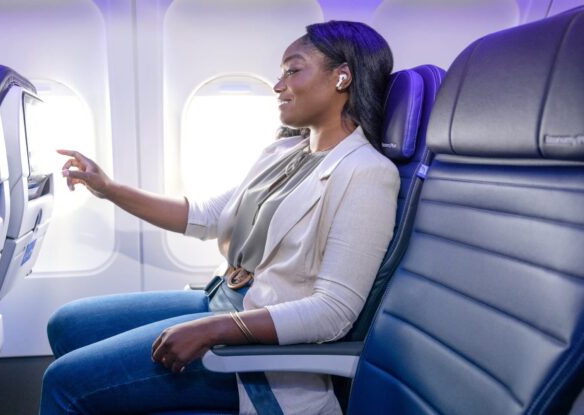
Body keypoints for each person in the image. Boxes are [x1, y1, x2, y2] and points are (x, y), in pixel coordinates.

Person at [41, 20, 398, 414]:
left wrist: (214, 329)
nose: (278, 86)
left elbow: (333, 312)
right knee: (67, 323)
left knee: (64, 383)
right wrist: (108, 188)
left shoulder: (367, 173)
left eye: (292, 71)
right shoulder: (285, 153)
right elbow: (206, 215)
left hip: (256, 350)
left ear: (342, 77)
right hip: (221, 300)